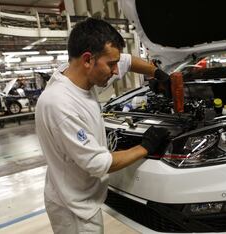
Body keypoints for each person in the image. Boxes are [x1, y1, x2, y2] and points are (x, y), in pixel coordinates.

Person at [35, 18, 169, 234]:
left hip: (78, 193)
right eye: (111, 64)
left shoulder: (73, 74)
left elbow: (125, 60)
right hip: (75, 209)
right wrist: (145, 146)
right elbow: (99, 163)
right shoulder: (60, 105)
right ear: (88, 60)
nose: (116, 71)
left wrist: (156, 73)